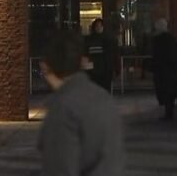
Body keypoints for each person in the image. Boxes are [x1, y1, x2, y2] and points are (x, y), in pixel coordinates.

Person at [38, 30, 125, 176]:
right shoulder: (103, 97)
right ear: (82, 61)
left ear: (45, 66)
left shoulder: (62, 108)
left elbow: (60, 168)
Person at [150, 18, 177, 121]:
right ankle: (169, 112)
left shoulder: (158, 40)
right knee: (170, 93)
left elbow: (156, 56)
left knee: (166, 92)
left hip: (163, 72)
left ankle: (168, 113)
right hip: (172, 71)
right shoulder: (172, 39)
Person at [84, 18, 117, 92]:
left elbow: (111, 56)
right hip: (93, 70)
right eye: (97, 26)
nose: (98, 28)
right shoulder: (89, 39)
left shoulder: (109, 39)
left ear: (103, 27)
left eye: (100, 26)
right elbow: (87, 54)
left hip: (105, 69)